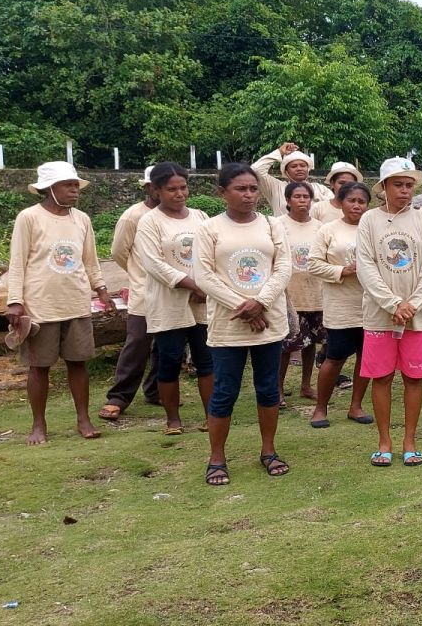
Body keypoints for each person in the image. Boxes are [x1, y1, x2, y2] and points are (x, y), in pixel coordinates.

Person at [193, 163, 293, 485]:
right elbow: (204, 276)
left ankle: (268, 451)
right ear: (222, 192)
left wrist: (261, 302)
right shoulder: (209, 229)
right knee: (224, 391)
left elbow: (283, 267)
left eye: (253, 188)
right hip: (228, 324)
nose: (249, 195)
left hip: (269, 322)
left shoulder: (272, 224)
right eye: (241, 189)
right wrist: (243, 306)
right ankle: (217, 457)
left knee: (268, 388)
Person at [5, 161, 114, 445]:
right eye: (68, 185)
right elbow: (17, 262)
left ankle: (83, 419)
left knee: (79, 363)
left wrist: (101, 289)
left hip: (77, 302)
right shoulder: (29, 218)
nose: (75, 190)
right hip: (41, 305)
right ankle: (38, 425)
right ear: (49, 188)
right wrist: (15, 301)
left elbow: (90, 260)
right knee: (39, 366)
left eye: (76, 185)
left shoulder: (82, 220)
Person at [354, 157, 422, 467]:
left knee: (414, 378)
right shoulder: (369, 220)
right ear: (384, 188)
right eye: (398, 185)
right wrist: (392, 304)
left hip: (417, 314)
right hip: (380, 314)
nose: (404, 191)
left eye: (408, 185)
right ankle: (384, 440)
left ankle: (410, 440)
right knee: (382, 377)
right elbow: (366, 266)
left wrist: (411, 304)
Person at [135, 162, 213, 435]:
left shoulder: (201, 217)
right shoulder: (149, 222)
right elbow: (153, 263)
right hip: (167, 302)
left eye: (183, 187)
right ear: (156, 191)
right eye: (171, 189)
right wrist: (192, 285)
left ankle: (210, 416)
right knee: (168, 361)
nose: (179, 194)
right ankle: (173, 420)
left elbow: (211, 254)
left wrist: (209, 287)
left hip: (203, 303)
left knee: (206, 360)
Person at [306, 181, 375, 428]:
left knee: (366, 357)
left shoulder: (373, 229)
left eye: (362, 201)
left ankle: (356, 406)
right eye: (352, 200)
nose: (357, 205)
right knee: (334, 358)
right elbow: (313, 264)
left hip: (371, 305)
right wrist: (343, 270)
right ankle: (320, 408)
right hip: (340, 305)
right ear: (341, 202)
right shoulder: (328, 230)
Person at [98, 166, 160, 422]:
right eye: (159, 186)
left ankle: (156, 391)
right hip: (145, 292)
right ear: (148, 188)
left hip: (178, 293)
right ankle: (119, 397)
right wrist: (138, 273)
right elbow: (119, 252)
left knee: (169, 346)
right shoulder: (133, 216)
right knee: (138, 343)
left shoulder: (184, 215)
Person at [278, 181, 325, 408]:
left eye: (306, 196)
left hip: (316, 293)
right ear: (288, 200)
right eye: (297, 196)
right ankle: (278, 388)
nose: (302, 201)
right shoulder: (278, 225)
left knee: (310, 343)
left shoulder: (320, 227)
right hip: (289, 294)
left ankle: (306, 385)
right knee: (287, 344)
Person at [252, 142, 332, 215]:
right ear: (286, 171)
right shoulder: (276, 187)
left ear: (308, 169)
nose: (299, 169)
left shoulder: (321, 189)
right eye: (294, 166)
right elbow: (255, 170)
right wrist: (279, 152)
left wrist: (314, 194)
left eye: (303, 165)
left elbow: (332, 208)